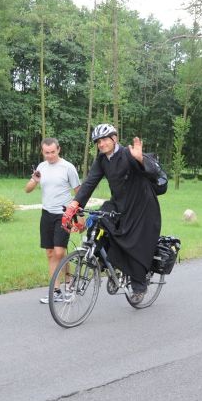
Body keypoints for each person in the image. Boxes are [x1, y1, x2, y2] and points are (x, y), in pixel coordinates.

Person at [63, 123, 161, 304]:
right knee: (98, 221)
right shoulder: (102, 160)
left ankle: (139, 286)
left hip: (142, 206)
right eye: (97, 142)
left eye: (104, 140)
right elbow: (89, 183)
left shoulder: (128, 154)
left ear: (114, 138)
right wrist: (74, 205)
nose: (100, 144)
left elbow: (154, 171)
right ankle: (110, 264)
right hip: (119, 203)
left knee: (135, 243)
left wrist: (141, 160)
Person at [25, 137, 81, 304]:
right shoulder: (41, 167)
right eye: (46, 152)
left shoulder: (68, 168)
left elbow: (79, 191)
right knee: (51, 253)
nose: (49, 156)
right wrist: (34, 180)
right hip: (47, 214)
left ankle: (70, 283)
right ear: (42, 151)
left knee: (59, 252)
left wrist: (81, 215)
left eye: (52, 152)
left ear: (59, 150)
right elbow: (27, 189)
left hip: (64, 214)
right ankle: (56, 291)